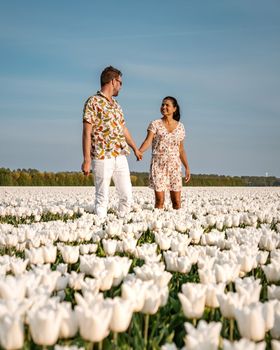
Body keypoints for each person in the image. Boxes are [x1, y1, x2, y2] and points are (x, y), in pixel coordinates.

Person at [82, 66, 142, 218]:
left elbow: (123, 129)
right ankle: (101, 231)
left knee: (127, 196)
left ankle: (120, 227)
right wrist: (87, 160)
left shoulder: (116, 105)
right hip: (102, 156)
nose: (121, 86)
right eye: (120, 83)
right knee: (102, 198)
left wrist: (135, 148)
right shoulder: (93, 102)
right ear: (113, 81)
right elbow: (87, 132)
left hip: (120, 155)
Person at [139, 96, 191, 209]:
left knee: (176, 201)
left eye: (167, 105)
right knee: (159, 200)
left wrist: (187, 167)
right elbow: (148, 141)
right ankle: (157, 224)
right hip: (159, 165)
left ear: (174, 109)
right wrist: (139, 151)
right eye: (162, 104)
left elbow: (181, 149)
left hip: (175, 167)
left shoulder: (181, 127)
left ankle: (177, 222)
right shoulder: (155, 124)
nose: (164, 107)